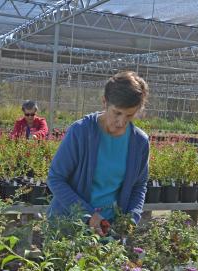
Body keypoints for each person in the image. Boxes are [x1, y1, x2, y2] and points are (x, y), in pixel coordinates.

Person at [47, 71, 149, 235]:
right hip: (69, 225)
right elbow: (55, 178)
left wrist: (131, 218)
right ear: (104, 102)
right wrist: (88, 216)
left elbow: (139, 185)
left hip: (109, 230)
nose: (121, 122)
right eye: (117, 112)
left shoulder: (139, 143)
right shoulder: (81, 132)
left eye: (129, 115)